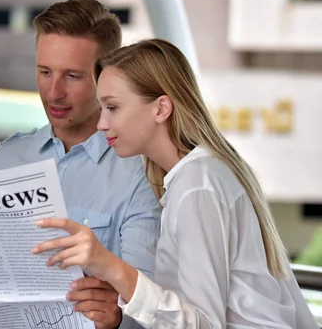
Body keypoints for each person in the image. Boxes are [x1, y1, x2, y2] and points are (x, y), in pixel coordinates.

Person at [32, 38, 318, 328]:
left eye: (113, 108)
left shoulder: (197, 185)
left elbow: (204, 324)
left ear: (161, 109)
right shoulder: (196, 176)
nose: (101, 123)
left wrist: (111, 267)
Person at [0, 0, 161, 329]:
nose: (54, 92)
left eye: (72, 76)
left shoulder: (140, 176)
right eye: (45, 72)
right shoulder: (0, 162)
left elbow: (154, 308)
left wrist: (117, 318)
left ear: (106, 78)